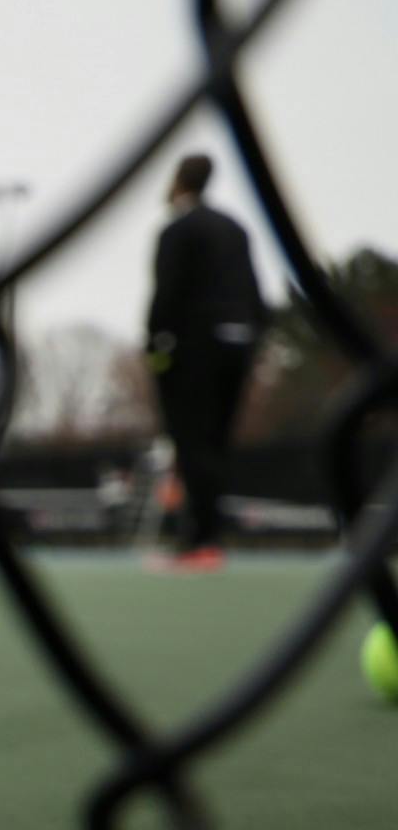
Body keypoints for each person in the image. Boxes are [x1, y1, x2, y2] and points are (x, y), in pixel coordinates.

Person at [144, 152, 267, 571]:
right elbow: (255, 292)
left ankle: (199, 541)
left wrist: (156, 347)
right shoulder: (234, 228)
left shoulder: (178, 231)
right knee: (217, 441)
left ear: (180, 182)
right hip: (239, 343)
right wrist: (255, 339)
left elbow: (166, 296)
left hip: (196, 348)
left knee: (193, 441)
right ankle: (208, 538)